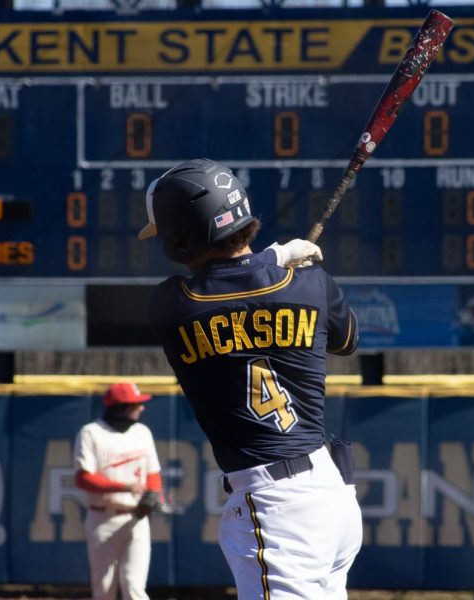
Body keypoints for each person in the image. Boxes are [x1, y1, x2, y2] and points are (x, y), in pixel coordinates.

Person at [137, 158, 362, 599]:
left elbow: (222, 291)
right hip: (330, 496)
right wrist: (282, 262)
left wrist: (274, 257)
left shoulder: (173, 306)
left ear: (184, 236)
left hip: (278, 508)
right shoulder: (312, 283)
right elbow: (346, 340)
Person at [74, 382, 164, 600]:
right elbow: (83, 478)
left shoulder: (142, 432)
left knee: (134, 587)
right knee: (104, 589)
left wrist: (152, 496)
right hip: (102, 518)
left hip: (136, 519)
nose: (141, 408)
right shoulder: (91, 433)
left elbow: (153, 475)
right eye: (136, 404)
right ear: (120, 407)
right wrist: (124, 487)